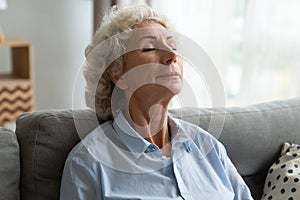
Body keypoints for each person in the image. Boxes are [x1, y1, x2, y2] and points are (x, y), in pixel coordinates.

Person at [60, 4, 253, 200]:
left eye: (173, 46)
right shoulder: (88, 162)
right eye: (150, 48)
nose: (172, 56)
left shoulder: (210, 148)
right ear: (118, 74)